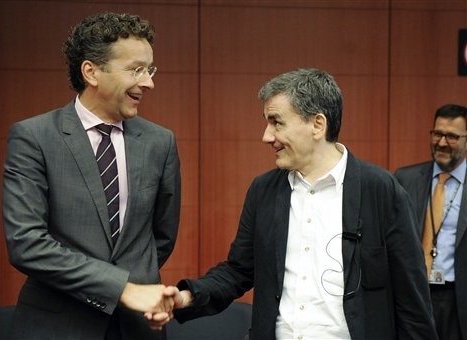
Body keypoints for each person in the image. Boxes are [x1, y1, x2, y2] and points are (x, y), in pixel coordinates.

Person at [147, 68, 438, 339]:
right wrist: (187, 296)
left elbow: (411, 298)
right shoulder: (263, 191)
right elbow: (238, 271)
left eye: (276, 122)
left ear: (317, 124)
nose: (266, 136)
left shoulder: (381, 190)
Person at [2, 12, 181, 339]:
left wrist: (136, 286)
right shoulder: (34, 137)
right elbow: (27, 244)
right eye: (136, 69)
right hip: (57, 326)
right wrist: (122, 289)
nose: (149, 82)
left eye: (150, 69)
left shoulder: (160, 142)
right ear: (91, 72)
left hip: (137, 328)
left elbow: (160, 238)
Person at [395, 104, 467, 340]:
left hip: (457, 297)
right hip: (415, 293)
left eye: (453, 136)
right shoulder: (405, 179)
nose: (442, 143)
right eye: (438, 134)